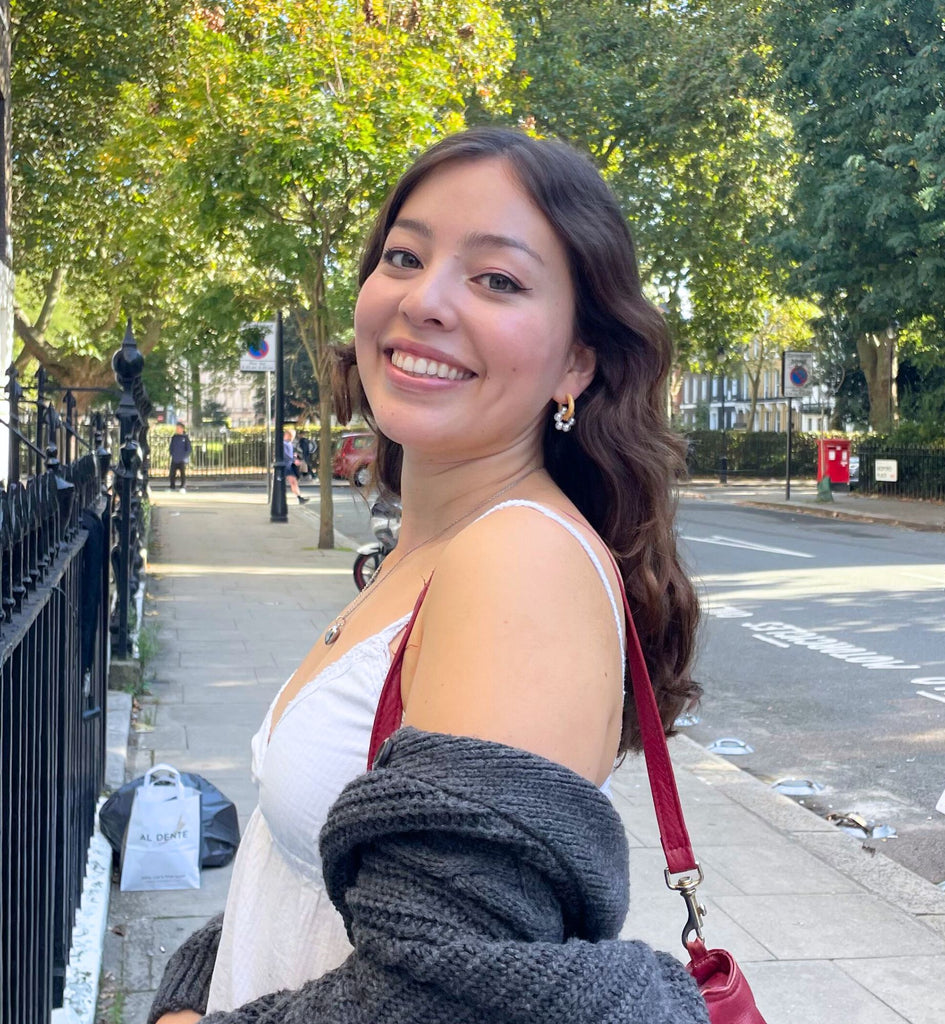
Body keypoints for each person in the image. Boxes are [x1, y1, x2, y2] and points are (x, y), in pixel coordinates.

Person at [149, 127, 706, 1024]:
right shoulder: (432, 549)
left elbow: (456, 997)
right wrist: (194, 987)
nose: (427, 301)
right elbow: (305, 874)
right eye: (405, 256)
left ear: (578, 360)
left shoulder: (518, 563)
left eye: (497, 280)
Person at [283, 428, 309, 503]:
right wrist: (294, 460)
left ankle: (299, 498)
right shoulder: (285, 443)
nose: (293, 437)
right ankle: (299, 498)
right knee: (293, 482)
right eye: (292, 435)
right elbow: (286, 455)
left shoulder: (288, 443)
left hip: (288, 465)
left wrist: (294, 457)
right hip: (286, 466)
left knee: (293, 482)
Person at [168, 423, 192, 492]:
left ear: (182, 429)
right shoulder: (174, 437)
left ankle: (182, 487)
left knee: (182, 474)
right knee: (172, 473)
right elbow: (171, 447)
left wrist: (185, 456)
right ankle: (172, 486)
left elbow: (189, 449)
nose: (177, 429)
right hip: (175, 458)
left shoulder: (185, 438)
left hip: (182, 459)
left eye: (178, 428)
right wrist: (172, 453)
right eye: (176, 428)